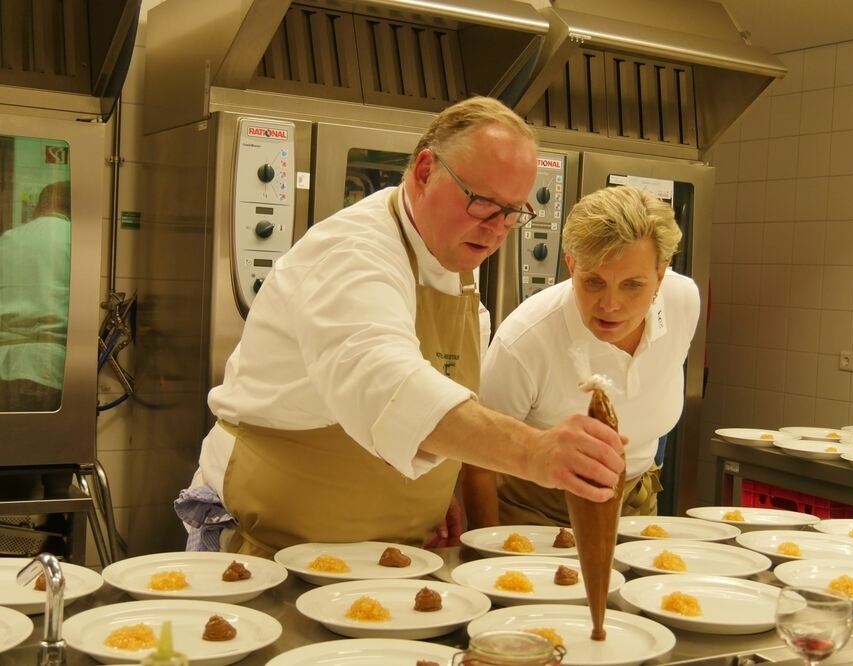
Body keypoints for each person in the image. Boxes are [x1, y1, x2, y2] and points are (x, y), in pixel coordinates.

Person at [181, 96, 625, 556]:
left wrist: (441, 483)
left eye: (513, 213)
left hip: (392, 557)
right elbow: (384, 379)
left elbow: (440, 395)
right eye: (482, 203)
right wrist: (534, 452)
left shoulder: (454, 266)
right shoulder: (353, 251)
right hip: (274, 545)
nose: (497, 229)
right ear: (425, 171)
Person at [463, 185, 700, 528]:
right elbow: (479, 460)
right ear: (571, 266)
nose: (611, 305)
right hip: (535, 514)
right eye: (593, 282)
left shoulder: (682, 302)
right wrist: (485, 555)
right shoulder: (527, 340)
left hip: (634, 506)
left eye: (632, 285)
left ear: (660, 275)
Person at [0, 180, 72, 413]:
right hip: (49, 369)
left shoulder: (7, 239)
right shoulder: (74, 241)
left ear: (40, 205)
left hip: (4, 366)